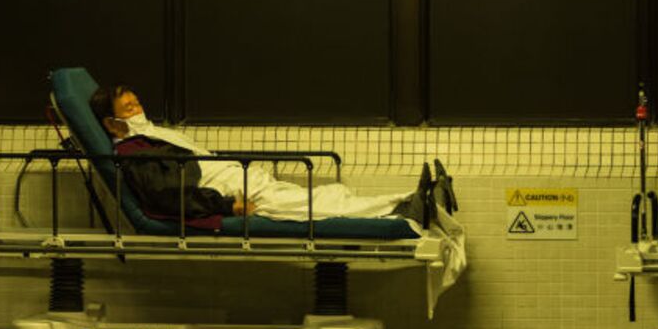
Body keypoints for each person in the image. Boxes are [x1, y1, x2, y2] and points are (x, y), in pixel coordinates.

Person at [89, 83, 430, 226]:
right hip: (230, 193)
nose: (138, 110)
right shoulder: (134, 153)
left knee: (322, 197)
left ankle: (400, 206)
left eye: (137, 102)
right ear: (112, 123)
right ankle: (403, 212)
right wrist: (227, 207)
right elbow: (166, 197)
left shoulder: (148, 139)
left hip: (235, 179)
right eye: (129, 108)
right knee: (312, 207)